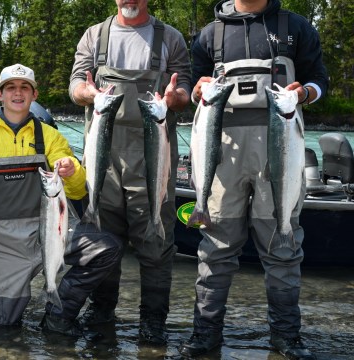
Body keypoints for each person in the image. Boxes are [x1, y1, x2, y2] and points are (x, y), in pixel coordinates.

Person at [178, 0, 328, 359]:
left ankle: (286, 337)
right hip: (221, 155)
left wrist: (305, 92)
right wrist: (196, 90)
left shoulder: (296, 26)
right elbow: (190, 87)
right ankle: (205, 334)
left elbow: (320, 81)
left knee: (283, 248)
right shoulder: (210, 35)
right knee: (214, 249)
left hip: (281, 149)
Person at [0, 64, 123, 340]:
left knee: (106, 249)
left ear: (34, 94)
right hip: (0, 245)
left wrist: (71, 170)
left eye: (24, 87)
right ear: (0, 95)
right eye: (11, 88)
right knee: (2, 330)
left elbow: (76, 192)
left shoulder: (49, 136)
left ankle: (58, 315)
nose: (18, 93)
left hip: (46, 234)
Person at [68, 0, 192, 345]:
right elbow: (76, 85)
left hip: (154, 156)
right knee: (103, 239)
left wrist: (175, 97)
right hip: (102, 158)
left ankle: (153, 320)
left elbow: (184, 92)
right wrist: (87, 93)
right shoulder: (94, 36)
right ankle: (102, 312)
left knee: (156, 241)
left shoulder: (171, 38)